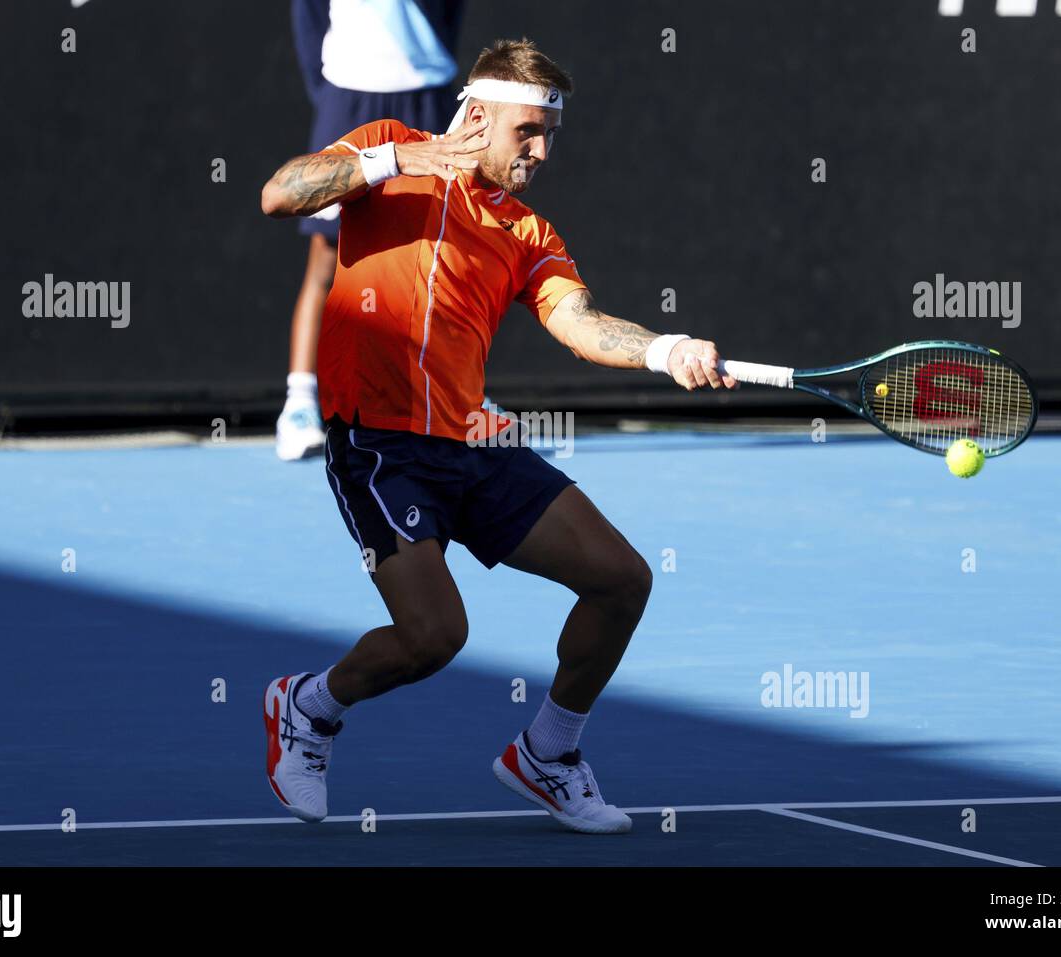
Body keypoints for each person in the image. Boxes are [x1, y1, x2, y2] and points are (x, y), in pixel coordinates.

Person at [259, 38, 737, 834]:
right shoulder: (387, 151)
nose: (542, 151)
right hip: (378, 442)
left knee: (622, 579)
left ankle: (548, 751)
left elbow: (579, 322)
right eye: (527, 132)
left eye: (551, 135)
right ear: (476, 117)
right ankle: (308, 707)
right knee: (434, 636)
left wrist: (665, 348)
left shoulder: (527, 232)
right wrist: (402, 160)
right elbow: (281, 194)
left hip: (471, 439)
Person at [277, 0, 465, 460]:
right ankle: (300, 404)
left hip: (427, 92)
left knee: (439, 251)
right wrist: (334, 96)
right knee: (328, 256)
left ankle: (455, 404)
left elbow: (449, 15)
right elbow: (310, 23)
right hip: (349, 95)